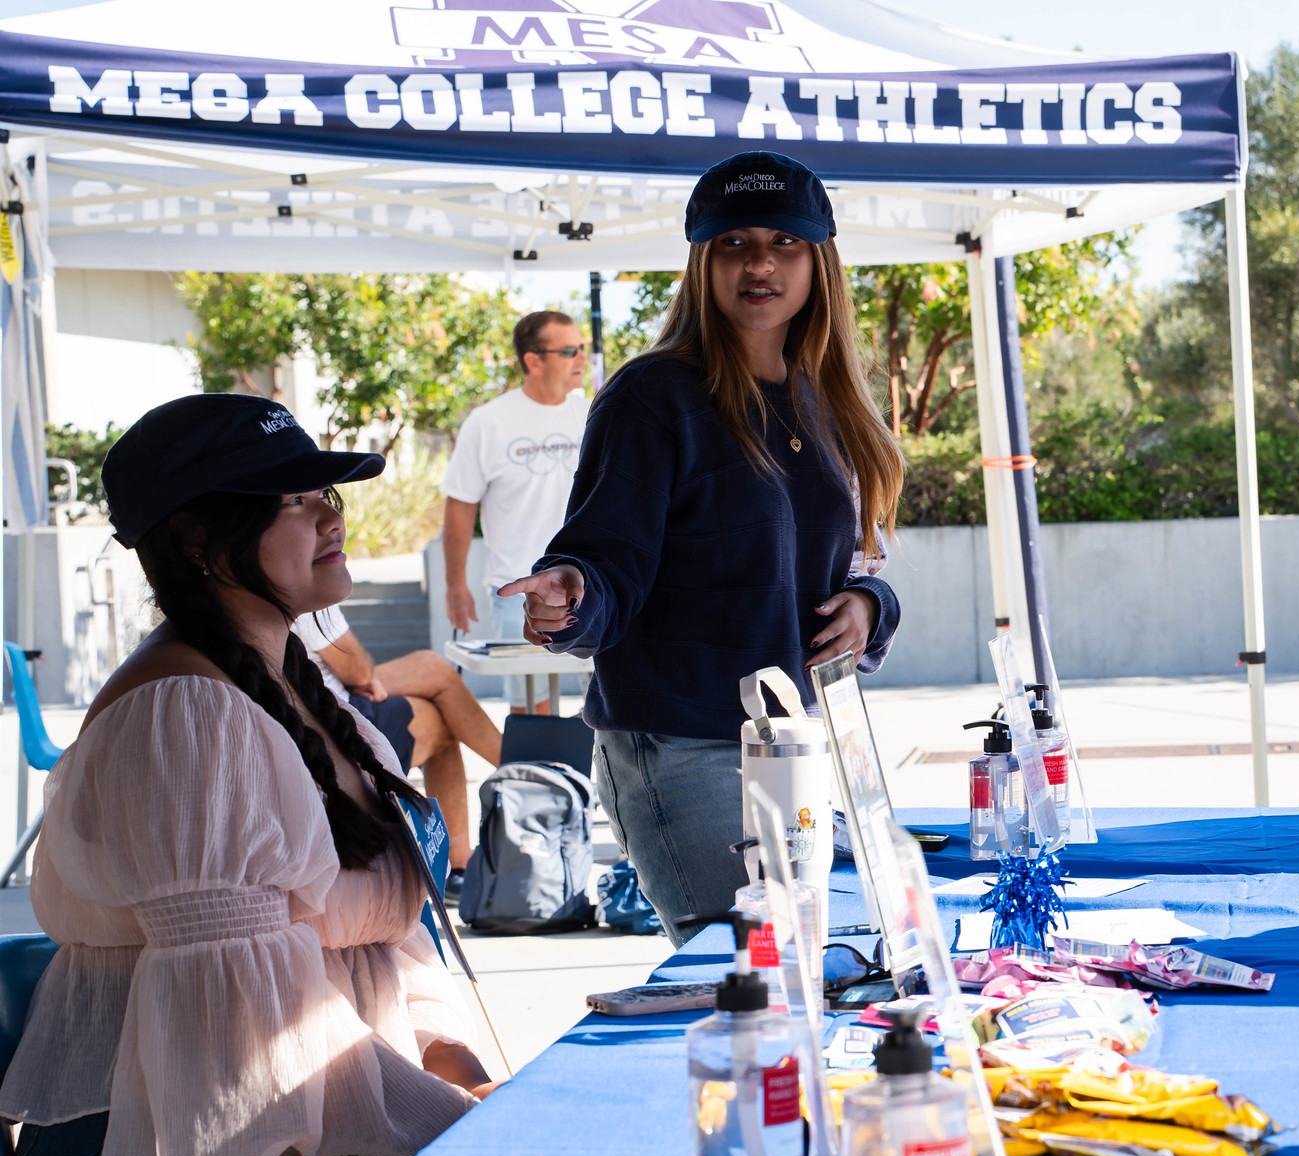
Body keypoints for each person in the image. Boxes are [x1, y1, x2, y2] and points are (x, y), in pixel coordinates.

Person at [0, 394, 491, 1156]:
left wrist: (459, 1073)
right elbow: (248, 1053)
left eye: (325, 493)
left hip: (260, 1148)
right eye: (295, 499)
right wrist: (456, 1127)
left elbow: (385, 948)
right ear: (198, 541)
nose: (331, 514)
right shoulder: (183, 715)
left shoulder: (297, 693)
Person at [500, 151, 902, 944]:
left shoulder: (825, 401)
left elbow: (859, 564)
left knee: (823, 976)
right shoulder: (654, 396)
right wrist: (570, 597)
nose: (759, 263)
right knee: (749, 983)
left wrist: (868, 606)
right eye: (734, 243)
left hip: (797, 744)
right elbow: (606, 556)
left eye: (784, 243)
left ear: (819, 260)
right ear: (701, 260)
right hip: (681, 747)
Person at [440, 309, 589, 714]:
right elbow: (459, 506)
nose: (582, 359)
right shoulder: (488, 423)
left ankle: (585, 780)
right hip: (517, 590)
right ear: (533, 360)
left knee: (604, 704)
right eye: (570, 350)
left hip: (590, 586)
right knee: (531, 708)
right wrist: (455, 585)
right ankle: (535, 778)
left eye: (583, 348)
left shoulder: (593, 413)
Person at [291, 607, 504, 884]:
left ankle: (459, 863)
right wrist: (364, 680)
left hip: (311, 700)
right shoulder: (303, 583)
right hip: (332, 712)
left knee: (433, 667)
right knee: (442, 723)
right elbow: (357, 671)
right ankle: (523, 782)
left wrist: (365, 681)